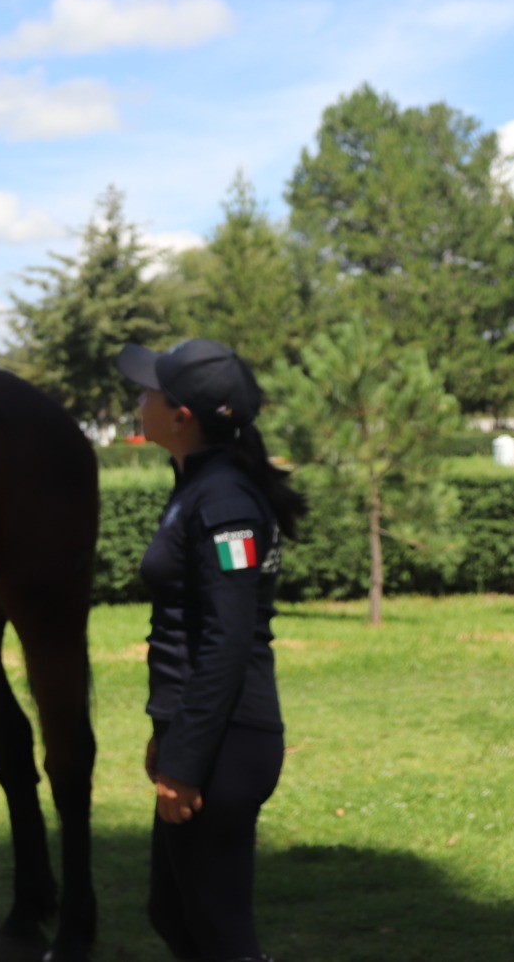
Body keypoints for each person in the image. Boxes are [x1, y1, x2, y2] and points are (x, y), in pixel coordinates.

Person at [115, 338, 307, 962]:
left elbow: (226, 641)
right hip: (199, 735)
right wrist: (165, 733)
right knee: (175, 915)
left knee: (221, 933)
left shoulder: (224, 503)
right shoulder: (199, 486)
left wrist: (186, 760)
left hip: (227, 744)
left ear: (182, 415)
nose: (138, 400)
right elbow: (186, 626)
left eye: (149, 391)